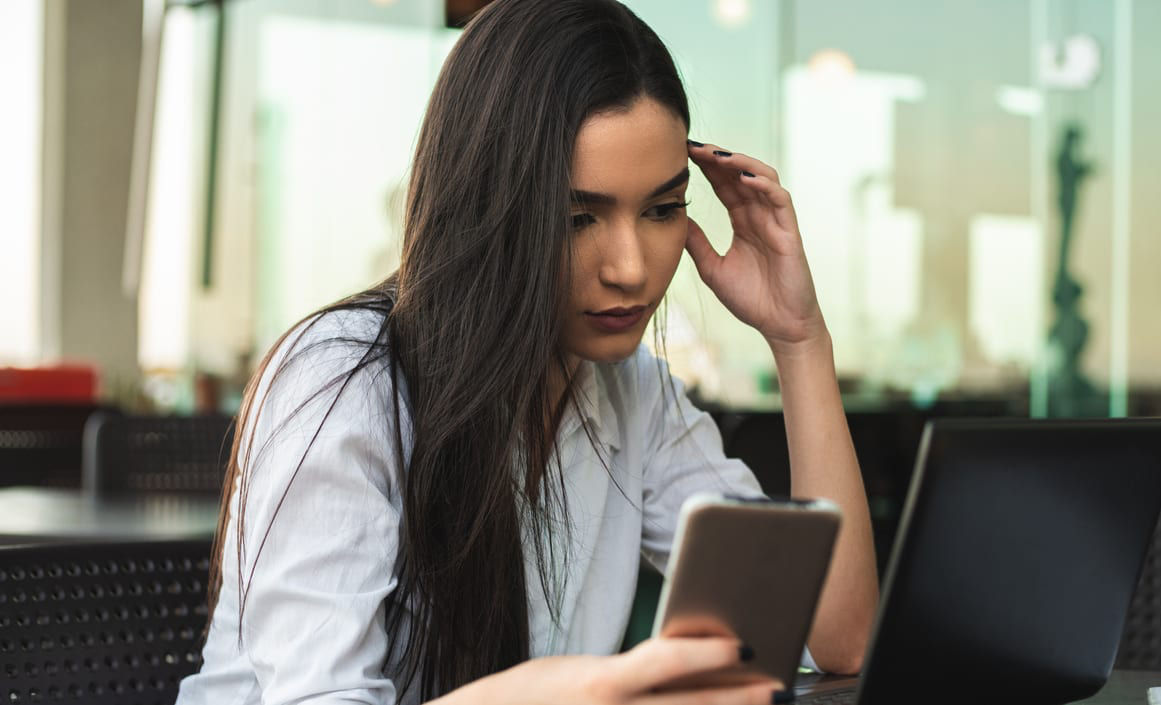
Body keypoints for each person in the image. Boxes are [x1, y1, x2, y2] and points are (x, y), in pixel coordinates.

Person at [175, 0, 877, 703]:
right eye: (577, 218)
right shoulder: (341, 382)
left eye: (662, 209)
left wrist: (800, 339)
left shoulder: (629, 392)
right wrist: (567, 691)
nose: (630, 267)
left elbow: (839, 637)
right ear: (487, 207)